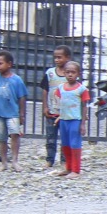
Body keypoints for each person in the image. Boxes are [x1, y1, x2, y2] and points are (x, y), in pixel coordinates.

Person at [0, 51, 28, 172]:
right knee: (1, 138)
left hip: (13, 113)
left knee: (15, 135)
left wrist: (22, 114)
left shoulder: (17, 80)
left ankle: (15, 160)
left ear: (9, 64)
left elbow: (22, 97)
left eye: (0, 63)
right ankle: (3, 162)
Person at [49, 60, 89, 178]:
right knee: (65, 144)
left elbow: (84, 106)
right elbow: (59, 101)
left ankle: (76, 170)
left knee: (75, 144)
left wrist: (82, 123)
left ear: (78, 74)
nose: (70, 75)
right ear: (64, 73)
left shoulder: (82, 89)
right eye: (67, 72)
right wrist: (59, 115)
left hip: (75, 120)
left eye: (73, 72)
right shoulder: (61, 87)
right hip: (64, 120)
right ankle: (68, 167)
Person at [41, 44, 72, 172]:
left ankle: (64, 161)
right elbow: (44, 90)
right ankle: (49, 160)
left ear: (67, 58)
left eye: (60, 57)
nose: (57, 60)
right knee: (50, 137)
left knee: (65, 138)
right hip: (52, 112)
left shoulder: (70, 74)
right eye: (55, 57)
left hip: (65, 113)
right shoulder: (50, 73)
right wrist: (45, 107)